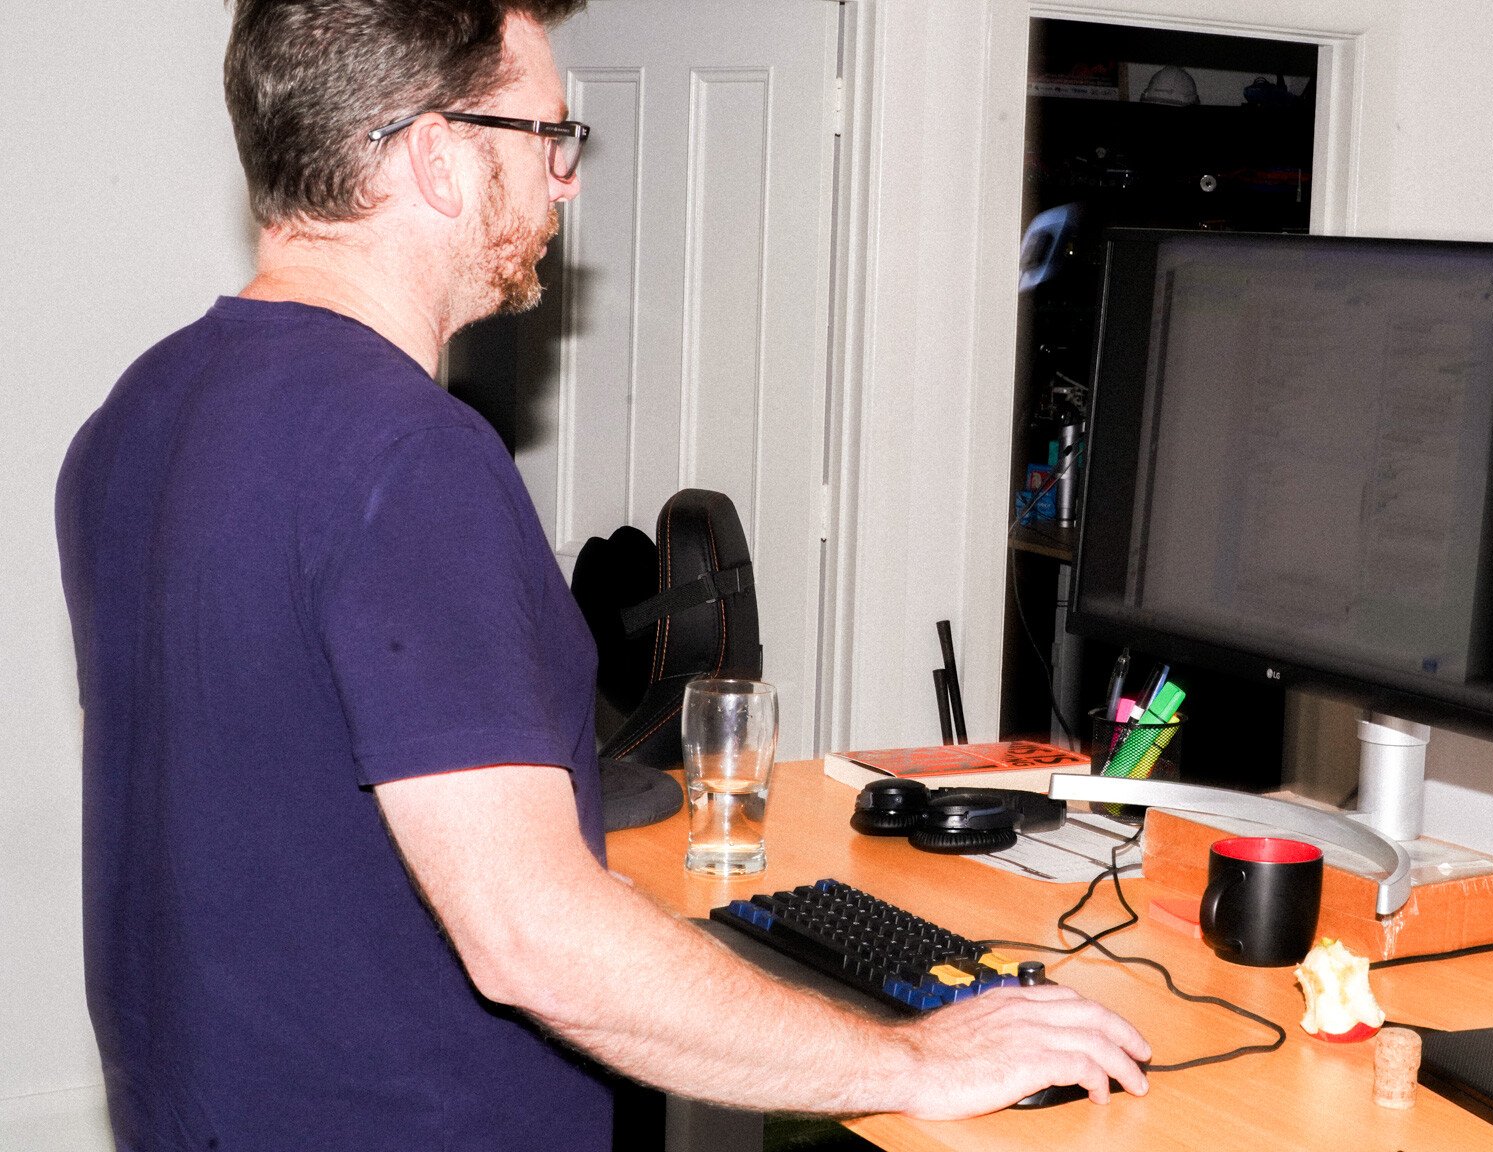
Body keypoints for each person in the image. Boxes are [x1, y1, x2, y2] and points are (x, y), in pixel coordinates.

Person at [53, 2, 1149, 1148]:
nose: (563, 183)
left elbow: (267, 815)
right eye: (545, 137)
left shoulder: (138, 413)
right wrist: (912, 1058)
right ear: (435, 158)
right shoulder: (409, 458)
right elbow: (530, 942)